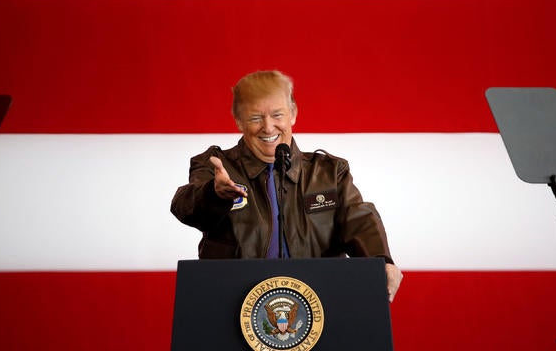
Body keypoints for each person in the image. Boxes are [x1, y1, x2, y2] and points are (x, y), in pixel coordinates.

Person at [170, 70, 402, 302]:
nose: (268, 127)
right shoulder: (217, 166)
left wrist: (382, 261)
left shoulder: (330, 172)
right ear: (239, 121)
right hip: (232, 303)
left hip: (318, 305)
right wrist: (214, 194)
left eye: (277, 115)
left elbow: (358, 220)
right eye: (255, 118)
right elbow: (185, 207)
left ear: (293, 114)